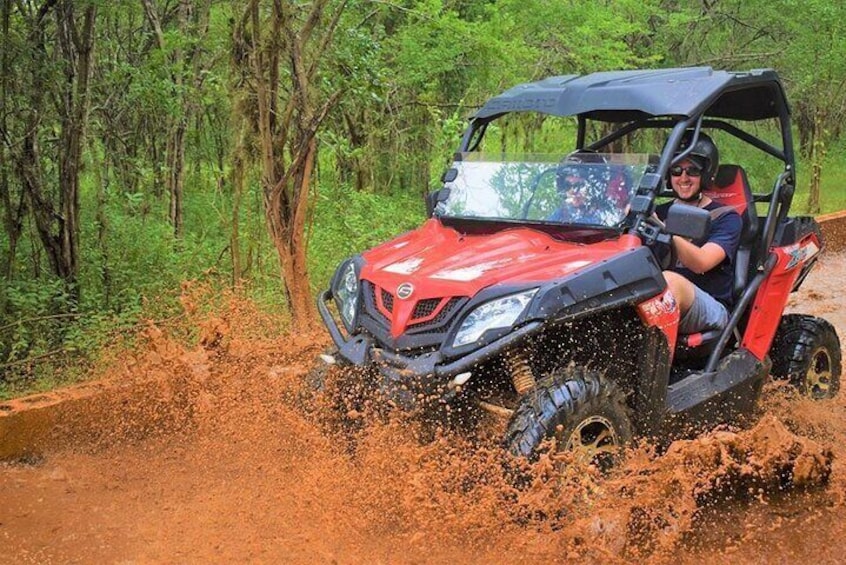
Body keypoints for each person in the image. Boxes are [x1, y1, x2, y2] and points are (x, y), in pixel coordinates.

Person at [656, 132, 742, 334]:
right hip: (657, 296)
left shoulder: (726, 217)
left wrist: (664, 230)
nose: (683, 177)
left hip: (711, 306)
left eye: (692, 170)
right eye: (676, 170)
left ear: (705, 173)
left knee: (670, 282)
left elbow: (701, 262)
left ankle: (649, 365)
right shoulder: (658, 212)